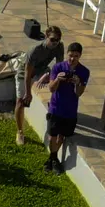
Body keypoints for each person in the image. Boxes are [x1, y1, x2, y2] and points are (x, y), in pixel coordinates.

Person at [40, 39, 89, 171]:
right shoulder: (58, 67)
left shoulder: (84, 71)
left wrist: (78, 83)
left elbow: (79, 93)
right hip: (56, 108)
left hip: (70, 110)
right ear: (67, 54)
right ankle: (54, 159)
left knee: (62, 135)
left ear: (80, 56)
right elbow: (51, 88)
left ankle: (52, 159)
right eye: (71, 55)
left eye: (76, 56)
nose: (72, 59)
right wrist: (57, 79)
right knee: (52, 135)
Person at [15, 24, 63, 146]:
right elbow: (27, 73)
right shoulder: (35, 50)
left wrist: (49, 75)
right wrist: (28, 92)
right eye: (52, 39)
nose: (55, 43)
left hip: (42, 70)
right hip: (25, 74)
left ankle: (55, 106)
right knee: (21, 101)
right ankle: (20, 132)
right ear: (46, 37)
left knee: (60, 81)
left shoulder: (59, 47)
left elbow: (59, 68)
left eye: (57, 40)